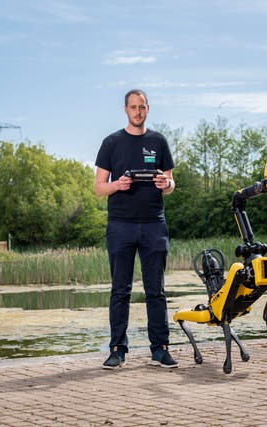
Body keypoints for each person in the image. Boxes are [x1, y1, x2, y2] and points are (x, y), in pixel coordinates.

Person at [94, 89, 178, 370]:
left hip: (154, 224)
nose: (138, 111)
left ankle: (160, 350)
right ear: (125, 109)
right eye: (133, 107)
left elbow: (171, 183)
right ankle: (117, 350)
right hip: (120, 225)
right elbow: (98, 187)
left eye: (142, 107)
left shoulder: (159, 141)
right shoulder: (111, 143)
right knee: (120, 290)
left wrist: (165, 185)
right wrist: (118, 185)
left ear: (148, 109)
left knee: (156, 290)